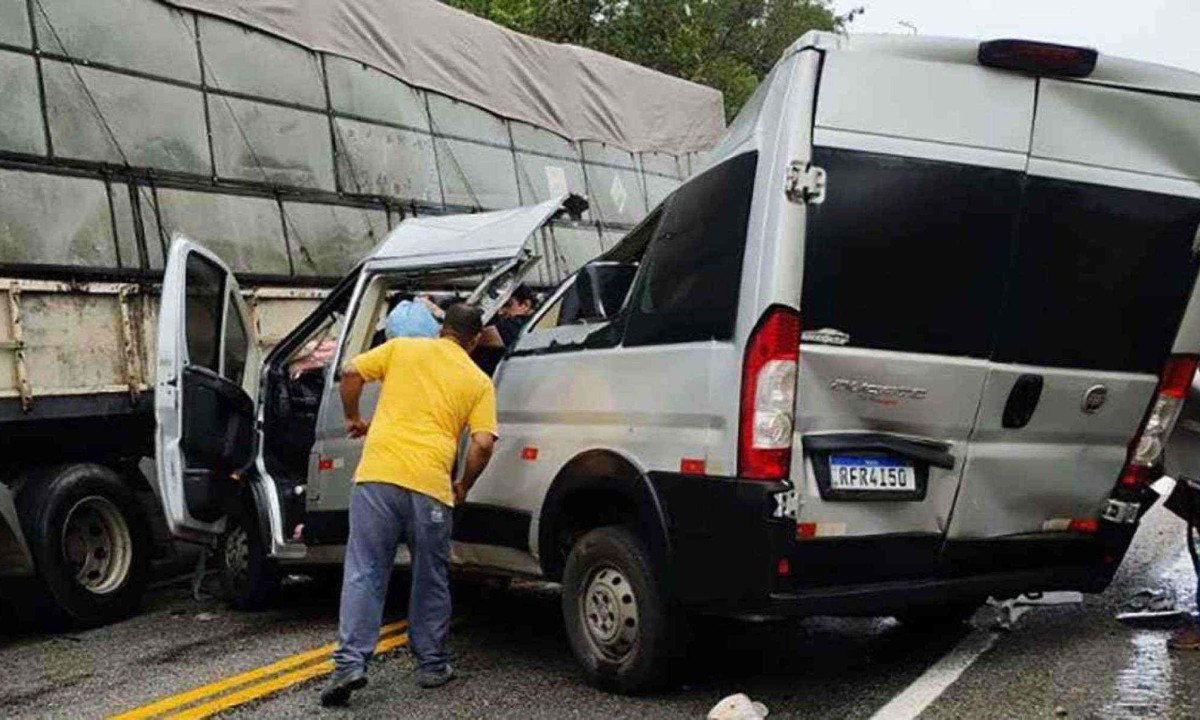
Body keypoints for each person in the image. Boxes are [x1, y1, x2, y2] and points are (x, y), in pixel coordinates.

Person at [320, 304, 498, 706]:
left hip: (378, 477)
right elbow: (483, 444)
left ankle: (350, 664)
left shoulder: (403, 349)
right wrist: (464, 485)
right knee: (430, 575)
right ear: (472, 341)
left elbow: (351, 372)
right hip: (431, 487)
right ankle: (432, 665)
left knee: (365, 570)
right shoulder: (477, 379)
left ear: (442, 330)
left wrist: (353, 417)